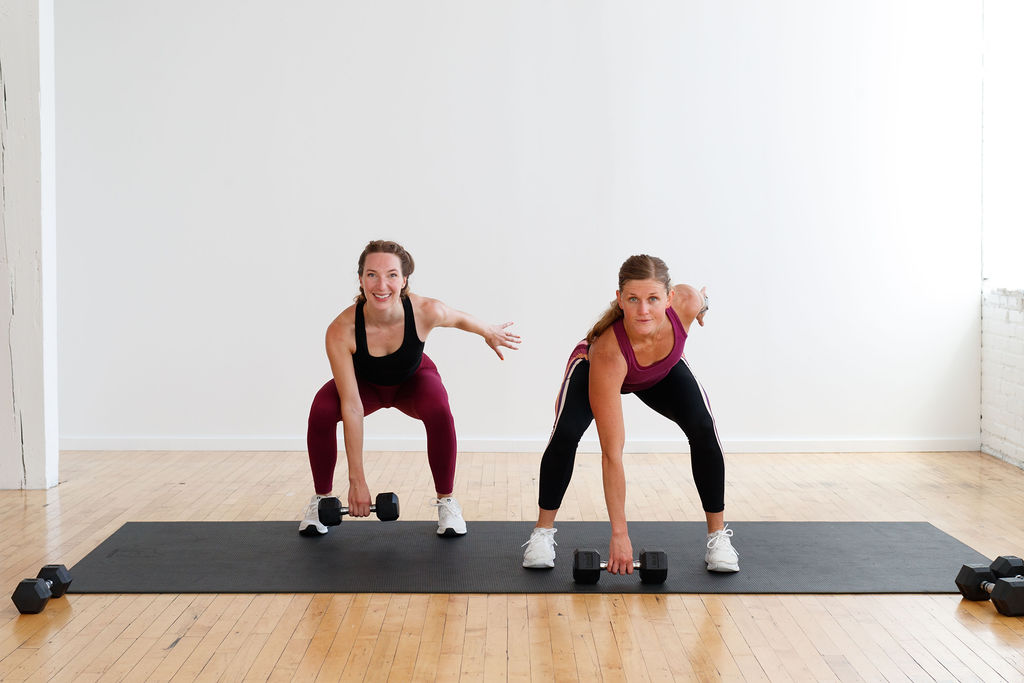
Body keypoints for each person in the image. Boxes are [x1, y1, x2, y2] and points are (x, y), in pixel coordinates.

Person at [521, 254, 739, 574]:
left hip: (659, 371)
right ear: (619, 299)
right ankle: (542, 533)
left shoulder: (687, 303)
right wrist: (619, 534)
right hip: (600, 369)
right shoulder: (607, 351)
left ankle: (718, 536)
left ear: (670, 298)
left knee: (703, 427)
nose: (643, 310)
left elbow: (702, 300)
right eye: (633, 299)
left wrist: (704, 307)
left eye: (653, 299)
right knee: (566, 434)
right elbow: (612, 453)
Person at [300, 239, 520, 537]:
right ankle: (321, 501)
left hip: (412, 382)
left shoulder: (425, 310)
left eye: (391, 274)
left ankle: (447, 502)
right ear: (361, 279)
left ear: (404, 280)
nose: (382, 284)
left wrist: (489, 332)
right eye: (372, 274)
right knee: (322, 409)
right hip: (365, 385)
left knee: (439, 408)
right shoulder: (341, 330)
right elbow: (351, 405)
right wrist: (357, 480)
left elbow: (459, 318)